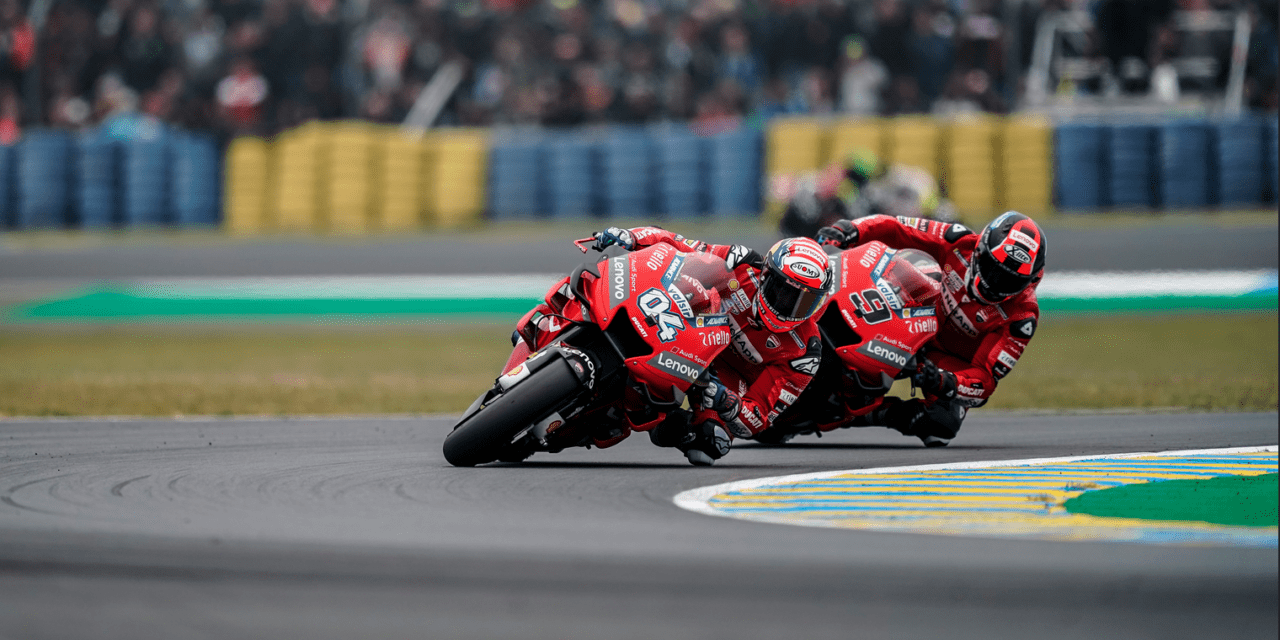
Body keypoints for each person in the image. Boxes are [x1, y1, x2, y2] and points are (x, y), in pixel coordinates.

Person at [591, 226, 834, 465]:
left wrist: (727, 401)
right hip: (688, 333)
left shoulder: (805, 352)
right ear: (765, 274)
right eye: (781, 290)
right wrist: (632, 237)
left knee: (709, 444)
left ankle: (657, 417)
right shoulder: (742, 262)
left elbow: (758, 417)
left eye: (803, 301)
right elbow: (680, 245)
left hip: (724, 380)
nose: (786, 304)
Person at [816, 211, 1045, 446]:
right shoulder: (957, 240)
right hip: (911, 313)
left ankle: (877, 414)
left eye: (1009, 280)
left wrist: (944, 381)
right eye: (991, 268)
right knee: (903, 267)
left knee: (941, 425)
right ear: (980, 249)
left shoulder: (1022, 318)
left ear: (1030, 281)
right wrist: (849, 230)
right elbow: (897, 227)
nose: (994, 284)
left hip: (944, 361)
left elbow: (985, 379)